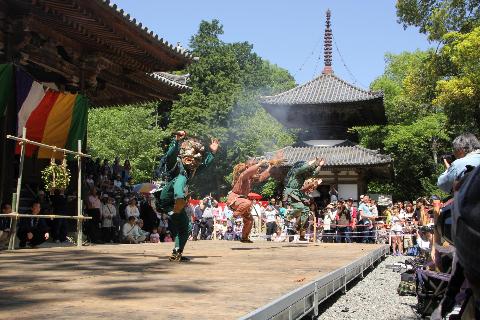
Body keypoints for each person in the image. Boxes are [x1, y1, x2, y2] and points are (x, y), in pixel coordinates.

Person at [158, 130, 219, 261]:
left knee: (186, 226)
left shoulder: (193, 169)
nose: (194, 162)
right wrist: (177, 140)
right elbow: (170, 155)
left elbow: (206, 164)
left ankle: (177, 252)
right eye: (192, 158)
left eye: (197, 159)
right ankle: (179, 197)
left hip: (176, 205)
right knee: (180, 178)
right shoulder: (176, 164)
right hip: (168, 196)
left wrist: (212, 152)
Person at [226, 159, 273, 243]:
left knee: (249, 220)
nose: (258, 168)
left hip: (242, 201)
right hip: (235, 199)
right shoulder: (243, 175)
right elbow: (247, 172)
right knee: (248, 202)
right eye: (255, 165)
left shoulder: (250, 178)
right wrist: (259, 164)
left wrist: (270, 166)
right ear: (248, 167)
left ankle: (244, 238)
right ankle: (233, 217)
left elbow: (261, 177)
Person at [282, 158, 324, 241]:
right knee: (300, 207)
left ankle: (300, 229)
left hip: (297, 193)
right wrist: (313, 162)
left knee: (305, 210)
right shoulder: (296, 172)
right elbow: (304, 168)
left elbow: (313, 173)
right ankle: (288, 217)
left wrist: (319, 166)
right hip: (290, 192)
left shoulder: (303, 175)